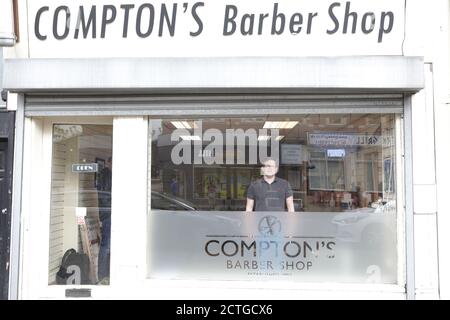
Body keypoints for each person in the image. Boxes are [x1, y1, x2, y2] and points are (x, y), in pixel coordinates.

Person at [97, 156, 112, 284]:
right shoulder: (106, 174)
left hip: (109, 212)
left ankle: (107, 274)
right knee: (106, 245)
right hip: (109, 213)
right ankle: (102, 276)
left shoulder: (108, 174)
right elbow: (104, 195)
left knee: (110, 245)